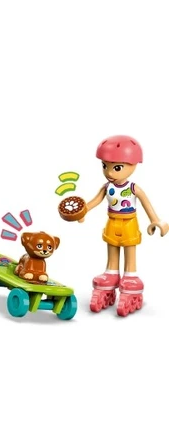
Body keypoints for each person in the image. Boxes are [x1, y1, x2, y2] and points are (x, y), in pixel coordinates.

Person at [78, 135, 168, 315]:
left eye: (117, 168)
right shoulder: (106, 187)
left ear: (133, 165)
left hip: (129, 223)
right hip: (112, 221)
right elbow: (94, 201)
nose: (109, 173)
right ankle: (111, 272)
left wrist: (155, 220)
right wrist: (83, 211)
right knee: (111, 246)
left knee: (129, 249)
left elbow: (146, 204)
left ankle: (130, 275)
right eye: (105, 166)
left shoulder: (133, 188)